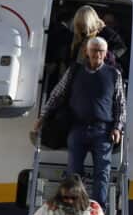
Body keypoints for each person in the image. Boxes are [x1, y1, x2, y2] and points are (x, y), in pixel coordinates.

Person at [32, 35, 125, 205]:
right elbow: (56, 95)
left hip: (103, 131)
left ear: (106, 54)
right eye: (94, 50)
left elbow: (120, 105)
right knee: (73, 172)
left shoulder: (114, 74)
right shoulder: (74, 71)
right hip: (78, 128)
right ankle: (73, 207)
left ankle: (98, 212)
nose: (97, 54)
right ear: (86, 52)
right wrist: (42, 117)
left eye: (101, 51)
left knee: (102, 173)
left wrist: (117, 128)